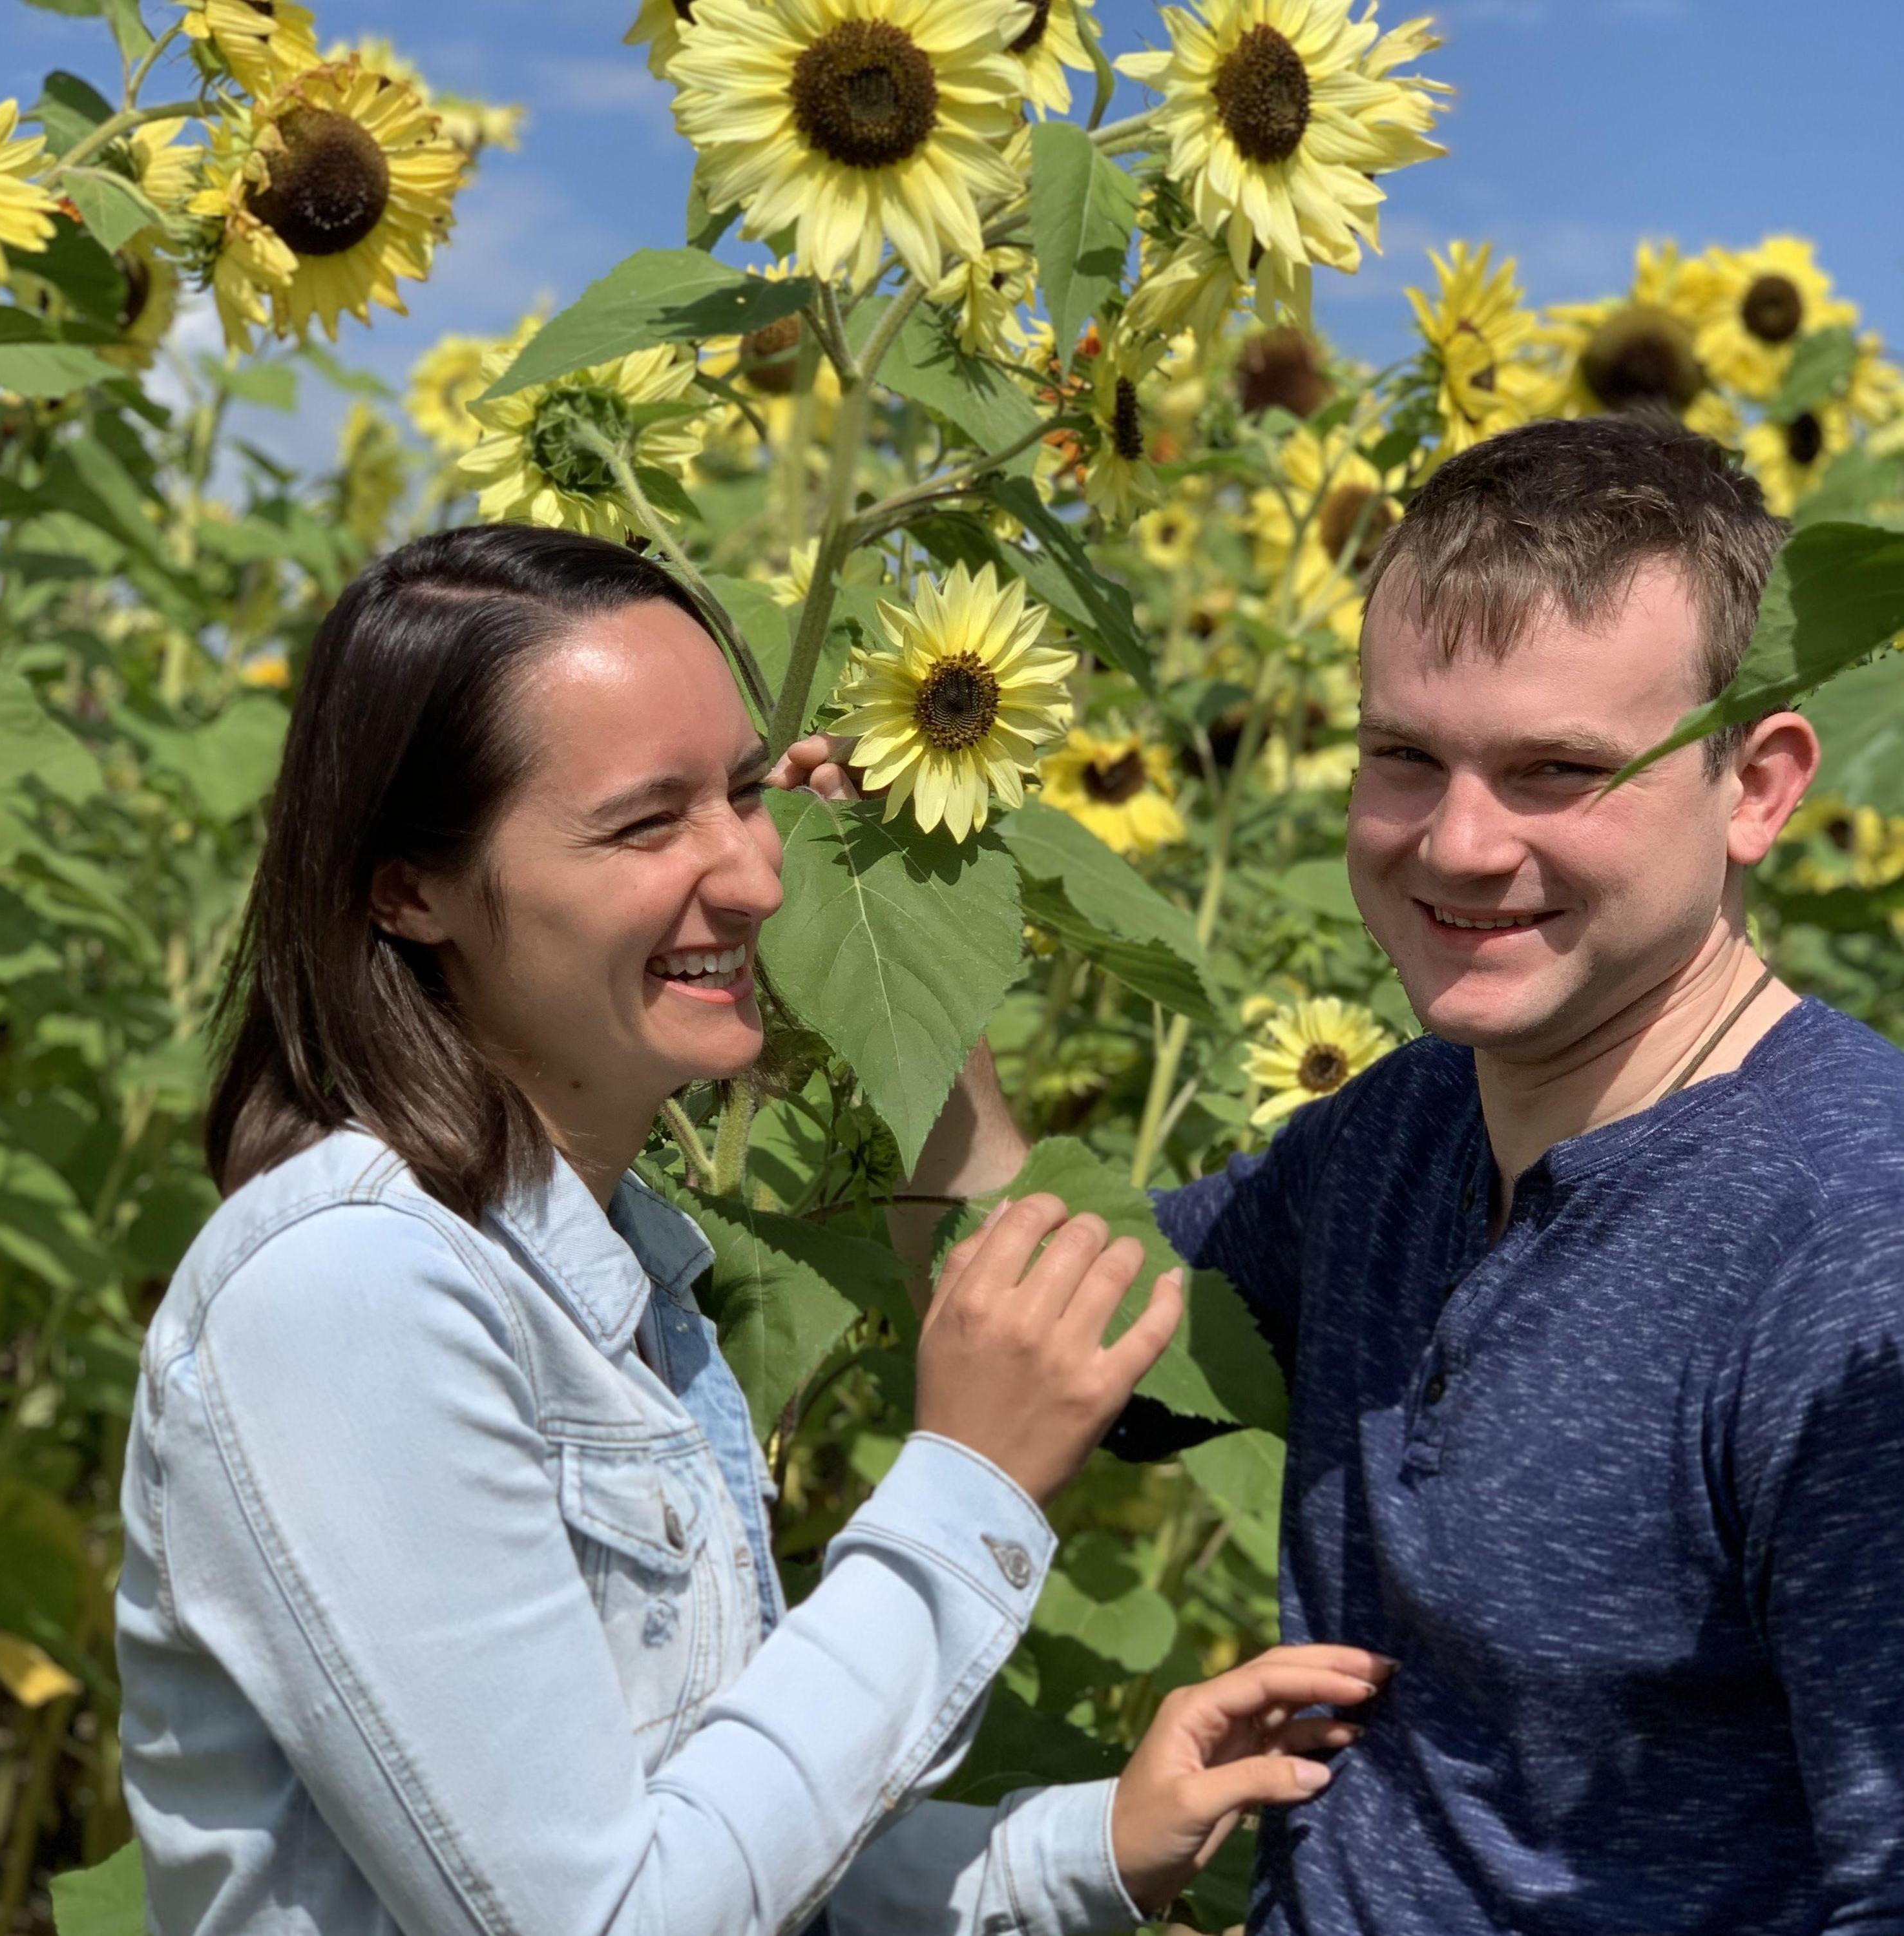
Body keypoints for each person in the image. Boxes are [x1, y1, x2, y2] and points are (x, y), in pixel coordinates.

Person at [114, 524, 1394, 1936]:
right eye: (644, 822)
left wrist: (1086, 1845)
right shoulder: (348, 1291)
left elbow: (706, 1844)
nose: (759, 875)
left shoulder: (616, 1276)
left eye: (739, 790)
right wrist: (967, 1482)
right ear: (404, 887)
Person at [785, 415, 1904, 1933]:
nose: (1455, 842)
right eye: (1403, 756)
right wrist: (893, 958)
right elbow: (1080, 1348)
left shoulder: (1851, 1252)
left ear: (1757, 786)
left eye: (1555, 770)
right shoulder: (1405, 1125)